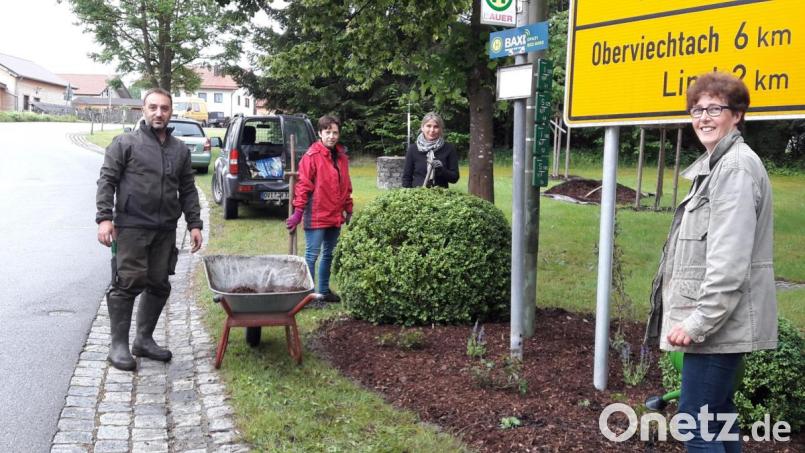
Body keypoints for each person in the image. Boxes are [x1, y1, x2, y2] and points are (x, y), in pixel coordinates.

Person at [645, 72, 777, 451]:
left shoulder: (734, 169)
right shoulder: (717, 166)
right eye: (697, 109)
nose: (703, 117)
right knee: (716, 417)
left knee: (696, 425)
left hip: (715, 328)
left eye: (714, 108)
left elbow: (729, 260)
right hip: (717, 326)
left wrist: (698, 322)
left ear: (737, 115)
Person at [96, 88, 203, 371]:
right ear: (143, 110)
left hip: (165, 230)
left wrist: (194, 223)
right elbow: (106, 181)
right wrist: (104, 218)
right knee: (127, 283)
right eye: (153, 107)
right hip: (131, 227)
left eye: (164, 108)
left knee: (158, 284)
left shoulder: (179, 149)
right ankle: (118, 345)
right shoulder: (125, 143)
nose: (159, 113)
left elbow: (188, 189)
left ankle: (143, 340)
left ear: (171, 112)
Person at [286, 115, 353, 303]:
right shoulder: (312, 156)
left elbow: (345, 185)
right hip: (316, 214)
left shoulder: (341, 157)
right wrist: (298, 212)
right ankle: (308, 295)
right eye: (328, 132)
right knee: (312, 255)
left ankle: (323, 291)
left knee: (329, 254)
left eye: (335, 132)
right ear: (320, 133)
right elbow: (303, 185)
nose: (332, 136)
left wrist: (348, 209)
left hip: (334, 214)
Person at [401, 112, 459, 188]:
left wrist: (442, 170)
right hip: (417, 196)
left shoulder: (449, 148)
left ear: (440, 129)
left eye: (436, 127)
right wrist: (409, 196)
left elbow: (454, 178)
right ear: (422, 127)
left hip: (441, 196)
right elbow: (406, 178)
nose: (432, 130)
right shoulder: (413, 149)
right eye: (428, 126)